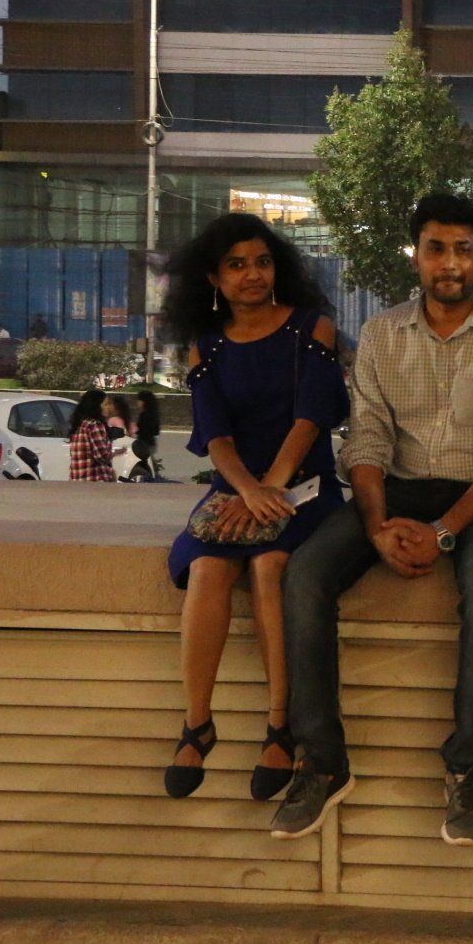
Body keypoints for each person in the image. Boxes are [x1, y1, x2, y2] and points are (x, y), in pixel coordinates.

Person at [272, 194, 473, 845]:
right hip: (395, 493)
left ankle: (467, 766)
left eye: (463, 250)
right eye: (436, 249)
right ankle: (323, 761)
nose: (449, 263)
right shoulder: (381, 334)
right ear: (416, 256)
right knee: (305, 574)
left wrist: (444, 531)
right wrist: (376, 527)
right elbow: (367, 439)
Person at [159, 213, 348, 801]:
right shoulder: (207, 347)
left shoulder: (312, 328)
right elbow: (214, 436)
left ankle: (279, 726)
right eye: (237, 265)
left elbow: (311, 418)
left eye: (262, 262)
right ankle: (196, 724)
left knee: (270, 566)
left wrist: (272, 489)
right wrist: (248, 490)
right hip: (237, 487)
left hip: (304, 486)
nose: (252, 275)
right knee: (207, 568)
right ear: (213, 278)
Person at [66, 389, 116, 483]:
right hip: (94, 480)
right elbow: (101, 456)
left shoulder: (80, 425)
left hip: (77, 480)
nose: (108, 407)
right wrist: (116, 453)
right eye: (105, 404)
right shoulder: (95, 425)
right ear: (96, 406)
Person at [133, 390, 163, 478]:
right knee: (149, 463)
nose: (137, 402)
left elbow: (143, 430)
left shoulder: (145, 415)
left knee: (145, 465)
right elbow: (156, 431)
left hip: (144, 444)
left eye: (139, 400)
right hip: (150, 443)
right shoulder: (153, 414)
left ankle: (150, 478)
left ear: (144, 402)